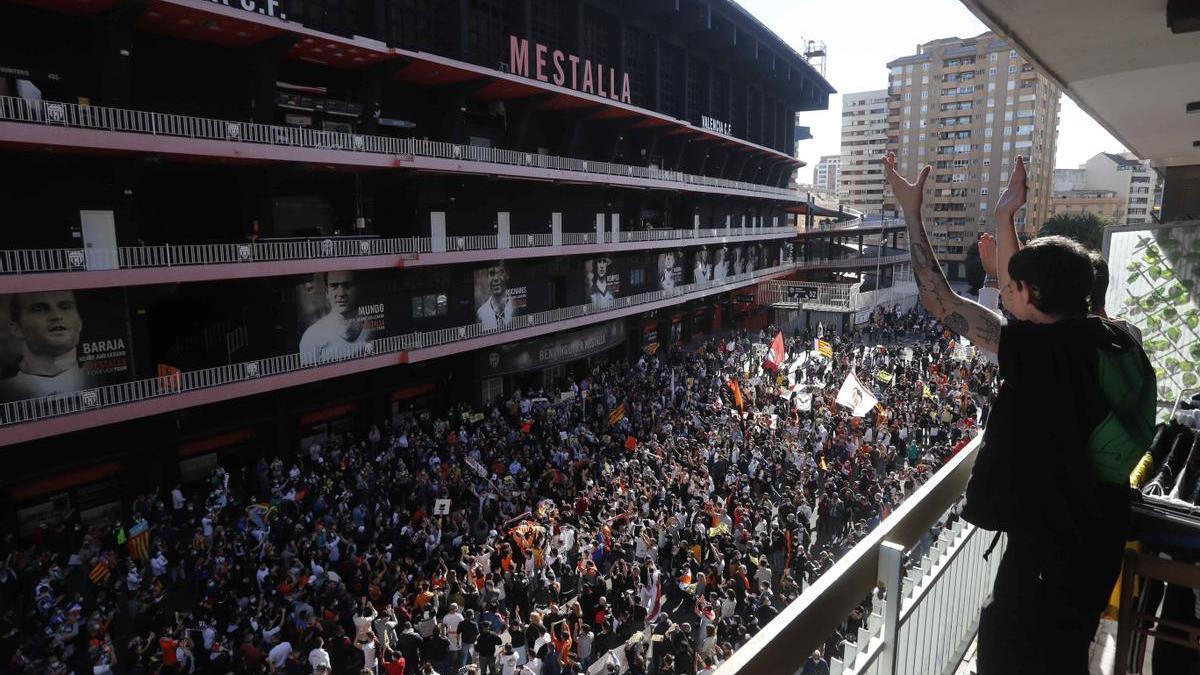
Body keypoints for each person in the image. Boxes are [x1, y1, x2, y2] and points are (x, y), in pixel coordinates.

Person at [883, 151, 1156, 674]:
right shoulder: (1118, 337)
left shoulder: (1042, 355)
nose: (1005, 293)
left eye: (1012, 286)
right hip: (1100, 537)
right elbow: (1034, 298)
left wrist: (912, 214)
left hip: (1047, 561)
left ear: (1029, 293)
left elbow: (939, 300)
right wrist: (1004, 218)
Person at [0, 290, 88, 400]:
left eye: (65, 307)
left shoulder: (103, 375)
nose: (56, 316)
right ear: (17, 329)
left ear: (80, 322)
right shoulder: (6, 385)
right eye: (39, 309)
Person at [299, 270, 374, 364]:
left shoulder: (371, 326)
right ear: (327, 292)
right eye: (334, 286)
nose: (341, 293)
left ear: (357, 288)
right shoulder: (311, 336)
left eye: (347, 285)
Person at [476, 263, 515, 330]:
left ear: (507, 275)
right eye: (491, 273)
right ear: (488, 278)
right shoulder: (480, 313)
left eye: (500, 272)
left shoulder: (517, 308)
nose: (496, 278)